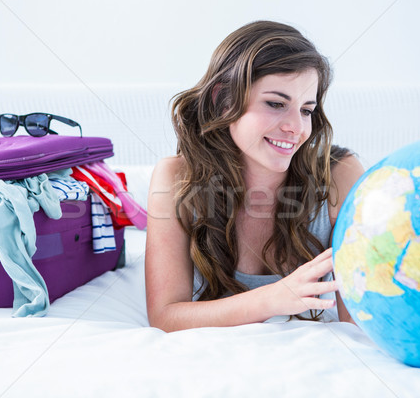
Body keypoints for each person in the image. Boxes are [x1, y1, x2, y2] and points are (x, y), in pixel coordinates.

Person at [145, 20, 364, 332]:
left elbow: (359, 322)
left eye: (306, 110)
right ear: (224, 101)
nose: (296, 128)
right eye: (276, 104)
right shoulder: (176, 177)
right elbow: (166, 316)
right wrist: (273, 299)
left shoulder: (340, 175)